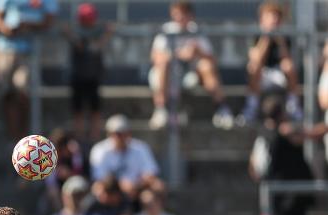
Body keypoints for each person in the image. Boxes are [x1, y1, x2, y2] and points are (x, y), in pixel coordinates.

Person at [149, 1, 233, 130]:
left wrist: (198, 52)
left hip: (191, 76)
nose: (180, 17)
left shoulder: (196, 31)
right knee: (163, 65)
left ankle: (221, 108)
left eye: (183, 14)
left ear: (190, 15)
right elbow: (155, 57)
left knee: (206, 66)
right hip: (170, 75)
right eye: (177, 14)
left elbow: (212, 60)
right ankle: (161, 109)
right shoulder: (167, 30)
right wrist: (178, 55)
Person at [249, 95, 314, 215]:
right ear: (281, 114)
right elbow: (308, 135)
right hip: (289, 199)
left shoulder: (261, 136)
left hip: (273, 196)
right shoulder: (285, 132)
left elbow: (252, 167)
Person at [0, 0, 58, 141]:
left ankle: (24, 136)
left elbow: (49, 20)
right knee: (8, 94)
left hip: (29, 51)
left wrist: (28, 26)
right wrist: (5, 28)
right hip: (5, 49)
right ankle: (13, 137)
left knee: (23, 90)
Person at [244, 2, 301, 124]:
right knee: (253, 68)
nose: (274, 20)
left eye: (277, 17)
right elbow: (257, 60)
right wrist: (266, 38)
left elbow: (287, 60)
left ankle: (293, 106)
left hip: (279, 74)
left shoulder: (284, 37)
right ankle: (251, 107)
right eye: (270, 16)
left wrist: (280, 42)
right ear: (262, 19)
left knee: (288, 65)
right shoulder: (255, 35)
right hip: (262, 76)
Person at [64, 3, 112, 143]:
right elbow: (83, 47)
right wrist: (69, 35)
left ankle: (94, 138)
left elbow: (95, 48)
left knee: (95, 110)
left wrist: (107, 34)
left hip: (93, 77)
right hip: (78, 76)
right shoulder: (77, 32)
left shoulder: (97, 32)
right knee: (77, 110)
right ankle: (78, 140)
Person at [89, 115, 164, 204]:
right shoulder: (99, 150)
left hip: (138, 188)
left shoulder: (140, 147)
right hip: (111, 189)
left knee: (158, 186)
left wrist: (136, 185)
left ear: (129, 133)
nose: (120, 137)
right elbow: (99, 178)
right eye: (116, 133)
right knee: (98, 189)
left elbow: (150, 173)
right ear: (109, 134)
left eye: (123, 133)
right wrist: (121, 185)